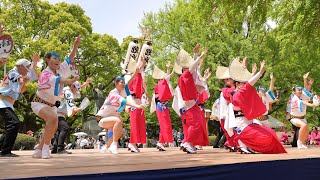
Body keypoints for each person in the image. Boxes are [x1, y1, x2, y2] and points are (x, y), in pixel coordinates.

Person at [31, 36, 81, 159]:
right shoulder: (45, 73)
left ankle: (38, 150)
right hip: (39, 103)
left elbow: (69, 59)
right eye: (54, 58)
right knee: (53, 119)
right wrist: (70, 80)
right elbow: (58, 80)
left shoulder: (59, 70)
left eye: (58, 59)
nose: (58, 61)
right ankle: (46, 150)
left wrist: (75, 46)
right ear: (47, 60)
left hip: (52, 105)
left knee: (53, 127)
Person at [227, 58, 286, 154]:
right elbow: (249, 84)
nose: (246, 84)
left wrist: (251, 73)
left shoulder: (242, 92)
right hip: (242, 126)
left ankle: (248, 146)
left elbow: (249, 84)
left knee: (271, 133)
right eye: (243, 83)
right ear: (237, 84)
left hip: (249, 123)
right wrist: (259, 73)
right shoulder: (237, 94)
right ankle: (244, 145)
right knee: (266, 137)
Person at [96, 70, 144, 154]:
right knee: (118, 120)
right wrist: (137, 106)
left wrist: (135, 72)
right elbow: (125, 102)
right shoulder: (113, 93)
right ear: (116, 83)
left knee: (120, 131)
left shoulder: (121, 91)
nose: (123, 84)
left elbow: (129, 83)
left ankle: (106, 147)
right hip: (102, 119)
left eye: (123, 82)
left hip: (110, 119)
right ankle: (114, 145)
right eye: (121, 82)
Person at [0, 54, 39, 157]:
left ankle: (3, 149)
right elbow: (20, 79)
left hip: (7, 104)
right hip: (2, 103)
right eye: (27, 67)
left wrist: (34, 63)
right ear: (21, 66)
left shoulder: (19, 73)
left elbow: (22, 87)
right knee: (14, 123)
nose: (28, 70)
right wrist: (23, 81)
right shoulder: (13, 72)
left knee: (11, 125)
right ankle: (5, 151)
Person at [174, 48, 209, 153]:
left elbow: (194, 68)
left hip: (190, 104)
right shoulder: (185, 76)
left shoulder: (186, 76)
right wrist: (200, 56)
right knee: (195, 124)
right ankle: (188, 142)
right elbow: (193, 67)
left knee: (195, 124)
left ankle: (188, 142)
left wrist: (195, 54)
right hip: (189, 105)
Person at [52, 78, 92, 154]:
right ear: (72, 86)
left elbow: (78, 89)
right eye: (76, 89)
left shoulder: (65, 90)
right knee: (65, 128)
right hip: (58, 114)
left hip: (54, 112)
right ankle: (60, 148)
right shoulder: (68, 92)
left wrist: (85, 84)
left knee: (59, 130)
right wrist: (77, 108)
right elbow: (71, 103)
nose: (76, 91)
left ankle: (55, 148)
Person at [287, 73, 317, 149]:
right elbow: (303, 102)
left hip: (302, 117)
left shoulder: (301, 95)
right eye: (298, 90)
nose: (300, 91)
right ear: (294, 91)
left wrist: (305, 80)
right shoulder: (293, 97)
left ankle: (302, 143)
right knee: (303, 126)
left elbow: (306, 90)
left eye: (300, 90)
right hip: (294, 117)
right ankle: (299, 143)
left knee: (306, 130)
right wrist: (311, 105)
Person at [150, 63, 174, 151]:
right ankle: (160, 142)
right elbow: (168, 77)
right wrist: (169, 69)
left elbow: (167, 78)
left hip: (163, 106)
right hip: (161, 106)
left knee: (164, 125)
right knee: (164, 125)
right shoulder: (160, 84)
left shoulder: (160, 84)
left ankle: (161, 142)